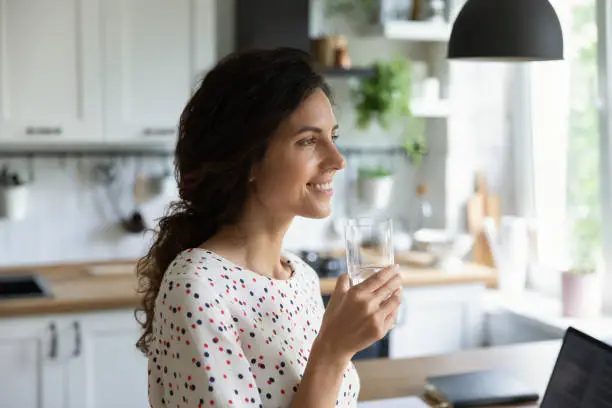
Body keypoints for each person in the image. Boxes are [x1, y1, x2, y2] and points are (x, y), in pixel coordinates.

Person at [135, 47, 403, 408]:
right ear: (248, 160)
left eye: (332, 138)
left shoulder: (302, 279)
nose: (338, 161)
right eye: (308, 141)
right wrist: (333, 351)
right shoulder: (197, 286)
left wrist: (338, 348)